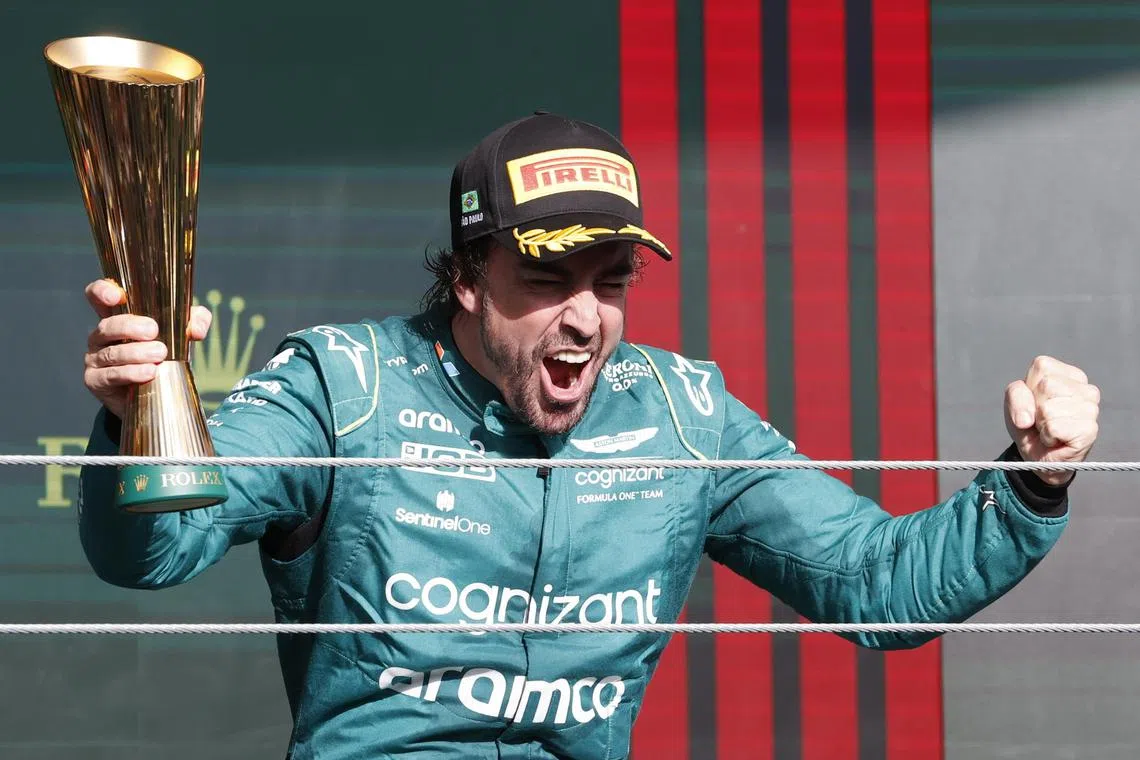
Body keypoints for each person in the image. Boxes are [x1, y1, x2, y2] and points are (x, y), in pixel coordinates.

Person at [77, 112, 1099, 759]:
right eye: (548, 279)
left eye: (611, 282)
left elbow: (880, 585)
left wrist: (1034, 482)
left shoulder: (681, 414)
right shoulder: (343, 385)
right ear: (469, 277)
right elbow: (154, 550)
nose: (586, 319)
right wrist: (137, 421)